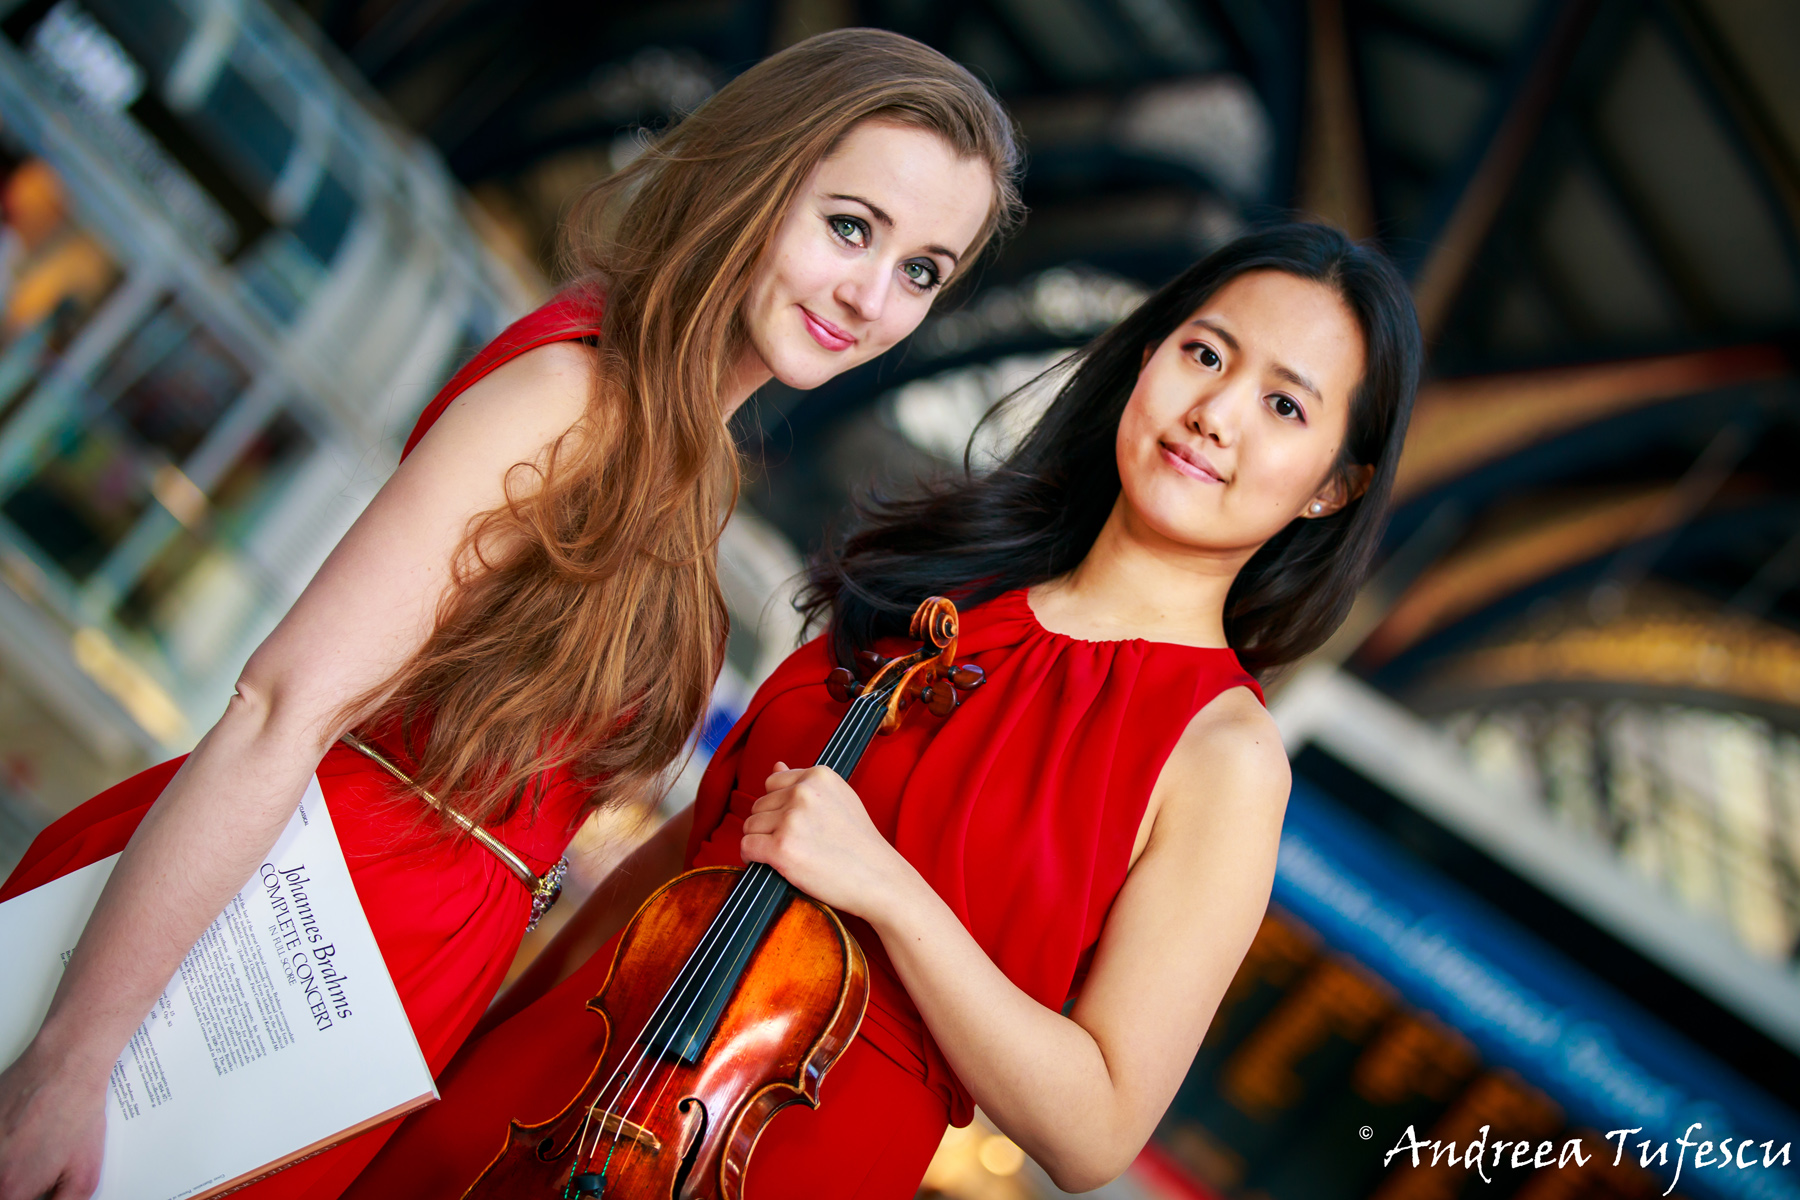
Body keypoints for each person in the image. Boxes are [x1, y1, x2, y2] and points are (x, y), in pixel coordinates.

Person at [0, 29, 1021, 1200]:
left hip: (373, 1000)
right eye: (851, 226)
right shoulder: (573, 395)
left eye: (923, 272)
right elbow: (281, 707)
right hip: (258, 949)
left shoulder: (692, 470)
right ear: (752, 180)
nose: (870, 295)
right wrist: (71, 1061)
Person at [345, 222, 1421, 1198]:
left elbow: (1097, 1127)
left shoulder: (1225, 756)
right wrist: (461, 1053)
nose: (1215, 414)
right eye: (1205, 353)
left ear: (1333, 485)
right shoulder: (941, 585)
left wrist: (889, 894)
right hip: (528, 1106)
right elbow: (688, 858)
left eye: (1286, 405)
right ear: (1147, 356)